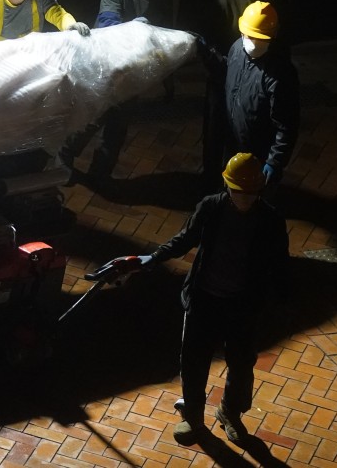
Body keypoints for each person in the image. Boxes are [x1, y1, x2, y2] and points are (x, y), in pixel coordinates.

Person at [90, 153, 289, 445]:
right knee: (194, 363)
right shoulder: (211, 208)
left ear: (259, 190)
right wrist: (152, 258)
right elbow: (185, 239)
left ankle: (230, 413)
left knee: (242, 364)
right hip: (204, 300)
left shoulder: (270, 220)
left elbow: (279, 263)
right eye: (238, 191)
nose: (243, 198)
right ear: (227, 187)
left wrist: (276, 300)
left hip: (242, 305)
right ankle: (193, 417)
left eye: (249, 193)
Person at [60, 0, 174, 184]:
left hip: (136, 69)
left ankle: (100, 175)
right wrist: (136, 29)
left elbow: (164, 36)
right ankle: (63, 163)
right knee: (90, 116)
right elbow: (107, 24)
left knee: (118, 126)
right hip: (105, 63)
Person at [202, 0, 294, 186]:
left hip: (259, 83)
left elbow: (284, 49)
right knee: (215, 138)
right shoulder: (226, 1)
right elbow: (209, 43)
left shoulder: (282, 7)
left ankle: (242, 188)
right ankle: (210, 184)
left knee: (249, 138)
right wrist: (225, 68)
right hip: (224, 80)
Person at [198, 2, 300, 197]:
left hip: (257, 153)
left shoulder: (280, 75)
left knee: (250, 202)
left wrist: (274, 161)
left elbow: (286, 125)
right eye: (249, 35)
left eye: (259, 37)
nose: (253, 41)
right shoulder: (237, 48)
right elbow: (229, 70)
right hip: (233, 141)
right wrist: (208, 57)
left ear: (272, 37)